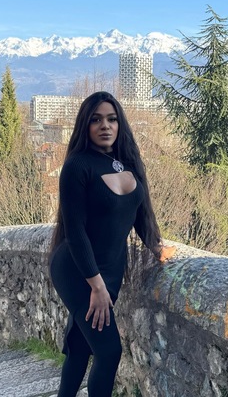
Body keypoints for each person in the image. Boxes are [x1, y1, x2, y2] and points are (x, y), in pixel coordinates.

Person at [49, 91, 175, 397]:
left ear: (120, 124)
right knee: (108, 352)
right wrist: (96, 286)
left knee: (81, 346)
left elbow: (138, 213)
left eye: (111, 119)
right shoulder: (78, 166)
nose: (105, 126)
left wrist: (156, 248)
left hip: (111, 269)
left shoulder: (126, 162)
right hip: (78, 270)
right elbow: (75, 232)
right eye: (96, 120)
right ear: (85, 126)